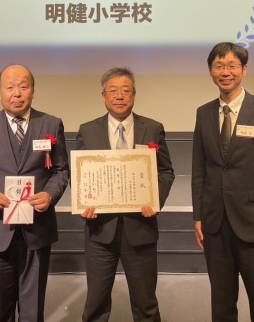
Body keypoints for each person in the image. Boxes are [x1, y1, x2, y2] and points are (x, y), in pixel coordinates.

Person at [192, 42, 254, 322]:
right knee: (222, 305)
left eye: (232, 66)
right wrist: (198, 216)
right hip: (215, 224)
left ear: (244, 70)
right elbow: (199, 169)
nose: (225, 72)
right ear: (211, 72)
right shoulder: (203, 112)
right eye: (219, 66)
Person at [0, 64, 69, 322]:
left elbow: (61, 170)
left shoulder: (51, 124)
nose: (17, 93)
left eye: (23, 86)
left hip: (37, 228)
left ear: (33, 91)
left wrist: (50, 195)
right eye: (10, 87)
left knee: (33, 309)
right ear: (0, 93)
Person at [78, 67, 175, 322]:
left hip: (140, 228)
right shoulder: (87, 130)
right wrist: (84, 201)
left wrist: (155, 199)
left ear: (134, 95)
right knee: (95, 304)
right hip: (100, 231)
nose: (119, 96)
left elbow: (166, 171)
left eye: (125, 91)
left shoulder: (152, 128)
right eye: (113, 91)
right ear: (103, 96)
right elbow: (81, 175)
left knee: (146, 305)